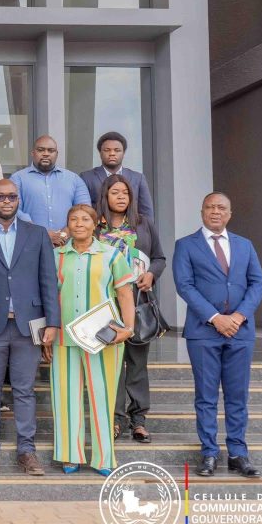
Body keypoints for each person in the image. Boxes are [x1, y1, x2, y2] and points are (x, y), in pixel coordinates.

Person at [0, 179, 59, 476]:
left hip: (28, 328)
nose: (6, 201)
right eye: (1, 196)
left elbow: (48, 281)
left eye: (12, 197)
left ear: (18, 200)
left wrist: (53, 323)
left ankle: (27, 452)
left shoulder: (37, 234)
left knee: (25, 392)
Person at [174, 192, 262, 479]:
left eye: (221, 208)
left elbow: (257, 284)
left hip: (240, 331)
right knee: (206, 395)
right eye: (210, 207)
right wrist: (215, 318)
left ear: (229, 213)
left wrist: (237, 317)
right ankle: (209, 453)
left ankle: (238, 453)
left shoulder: (245, 245)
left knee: (237, 396)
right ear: (202, 212)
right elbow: (185, 286)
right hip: (203, 332)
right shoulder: (185, 245)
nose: (215, 212)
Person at [51, 204, 136, 476]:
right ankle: (70, 454)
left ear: (95, 223)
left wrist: (128, 328)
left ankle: (103, 458)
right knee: (66, 397)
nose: (79, 224)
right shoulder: (55, 256)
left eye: (85, 219)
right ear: (67, 225)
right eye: (73, 219)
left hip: (104, 339)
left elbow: (125, 294)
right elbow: (48, 296)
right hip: (64, 337)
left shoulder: (111, 255)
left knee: (103, 396)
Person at [94, 174, 166, 444]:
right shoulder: (95, 226)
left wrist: (152, 275)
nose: (121, 197)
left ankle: (138, 420)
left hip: (136, 302)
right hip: (104, 303)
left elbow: (159, 257)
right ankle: (115, 419)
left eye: (125, 192)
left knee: (136, 363)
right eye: (115, 192)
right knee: (111, 364)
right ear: (105, 196)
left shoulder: (143, 224)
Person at [11, 135, 91, 246]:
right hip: (31, 245)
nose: (46, 154)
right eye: (41, 150)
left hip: (68, 246)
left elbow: (85, 210)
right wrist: (40, 233)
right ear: (32, 153)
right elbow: (14, 210)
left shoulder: (73, 179)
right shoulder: (17, 179)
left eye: (51, 150)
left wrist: (65, 233)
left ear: (56, 154)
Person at [80, 132, 155, 223]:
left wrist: (145, 230)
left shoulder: (138, 178)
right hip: (98, 229)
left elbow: (146, 212)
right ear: (100, 153)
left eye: (117, 150)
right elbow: (83, 210)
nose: (112, 153)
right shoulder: (87, 177)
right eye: (107, 150)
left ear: (123, 153)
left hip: (132, 230)